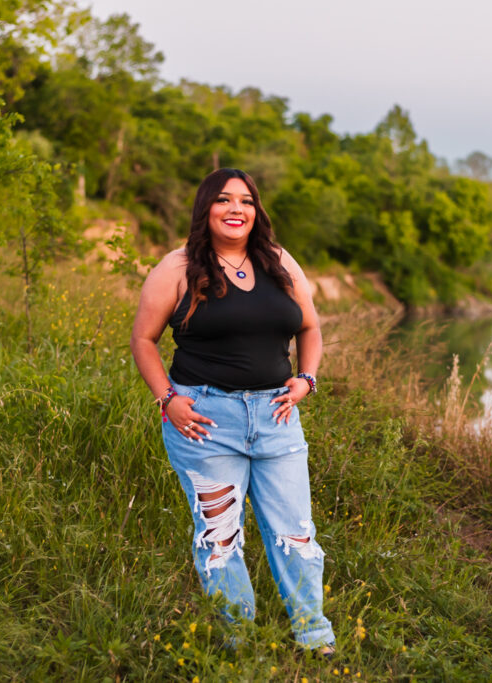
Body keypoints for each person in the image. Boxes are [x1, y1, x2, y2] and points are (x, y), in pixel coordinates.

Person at [130, 168, 335, 652]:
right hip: (205, 420)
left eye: (245, 200)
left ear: (256, 211)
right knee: (220, 538)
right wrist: (168, 399)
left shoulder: (280, 263)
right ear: (206, 209)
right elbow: (143, 340)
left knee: (296, 535)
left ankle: (313, 636)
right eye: (224, 200)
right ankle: (237, 642)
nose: (236, 209)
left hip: (277, 418)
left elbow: (310, 328)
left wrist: (306, 379)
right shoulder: (177, 267)